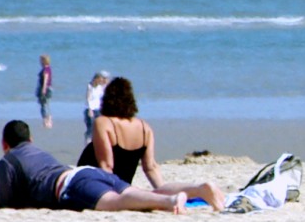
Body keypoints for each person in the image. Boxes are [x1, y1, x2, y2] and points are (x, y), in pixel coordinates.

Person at [0, 118, 188, 213]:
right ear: (31, 139)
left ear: (4, 144)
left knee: (118, 202)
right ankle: (187, 192)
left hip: (71, 186)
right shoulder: (38, 152)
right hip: (85, 172)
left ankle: (169, 200)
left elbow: (9, 201)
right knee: (132, 193)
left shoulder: (8, 161)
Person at [76, 76, 224, 206]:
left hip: (101, 185)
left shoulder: (103, 122)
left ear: (106, 100)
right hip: (124, 184)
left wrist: (108, 194)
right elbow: (150, 167)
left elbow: (107, 165)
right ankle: (197, 189)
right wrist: (162, 189)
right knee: (160, 191)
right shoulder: (144, 127)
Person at [84, 72, 108, 139]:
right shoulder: (90, 86)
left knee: (99, 128)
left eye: (101, 80)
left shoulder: (101, 87)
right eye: (99, 80)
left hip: (98, 109)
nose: (100, 81)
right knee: (90, 128)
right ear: (95, 79)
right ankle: (88, 143)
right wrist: (90, 109)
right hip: (90, 109)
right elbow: (88, 98)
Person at [35, 55, 55, 128]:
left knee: (44, 105)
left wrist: (43, 89)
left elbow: (46, 78)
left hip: (46, 88)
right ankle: (48, 120)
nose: (40, 62)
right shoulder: (48, 68)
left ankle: (46, 121)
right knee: (47, 104)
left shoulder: (45, 69)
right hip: (49, 88)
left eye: (41, 60)